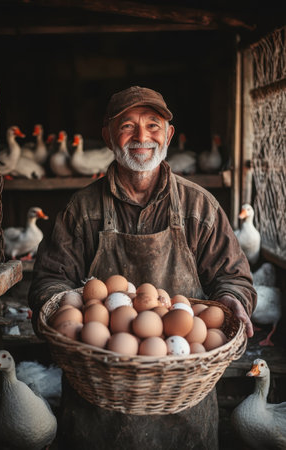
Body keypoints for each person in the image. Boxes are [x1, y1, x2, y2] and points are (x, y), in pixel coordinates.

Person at [28, 85, 256, 450]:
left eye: (153, 125)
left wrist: (232, 299)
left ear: (168, 135)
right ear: (107, 136)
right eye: (127, 126)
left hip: (184, 407)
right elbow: (50, 280)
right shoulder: (82, 209)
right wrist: (70, 315)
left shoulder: (200, 207)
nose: (141, 137)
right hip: (98, 404)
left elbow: (233, 277)